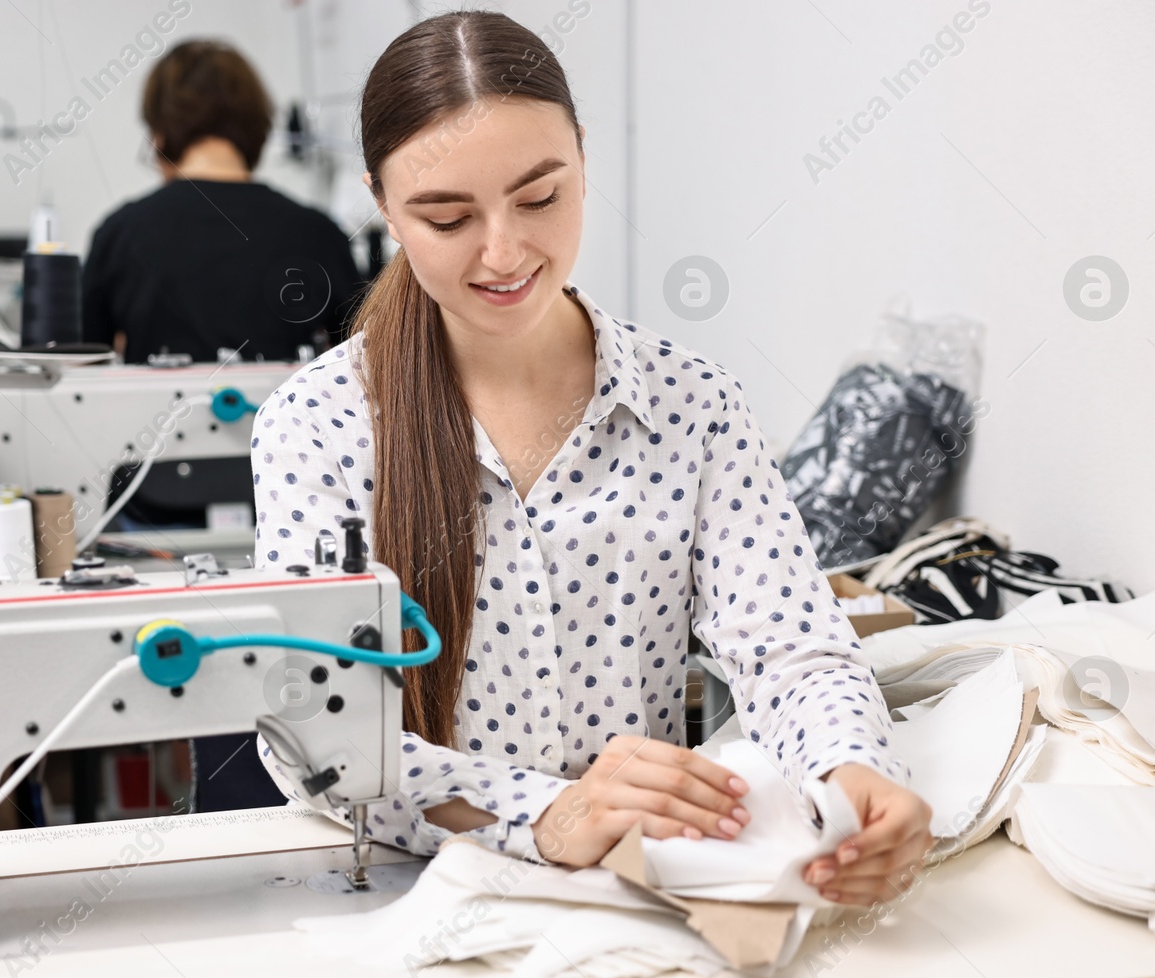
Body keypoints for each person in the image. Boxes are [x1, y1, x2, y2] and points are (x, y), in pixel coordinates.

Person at [251, 12, 932, 906]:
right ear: (383, 205)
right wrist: (542, 815)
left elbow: (790, 650)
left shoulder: (692, 408)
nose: (504, 253)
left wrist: (851, 771)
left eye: (540, 198)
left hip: (643, 897)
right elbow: (311, 734)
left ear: (582, 157)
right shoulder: (321, 425)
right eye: (447, 217)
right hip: (412, 904)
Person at [82, 39, 363, 363]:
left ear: (160, 132)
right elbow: (363, 364)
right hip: (286, 413)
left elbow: (83, 369)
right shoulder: (319, 233)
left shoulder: (120, 234)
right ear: (257, 125)